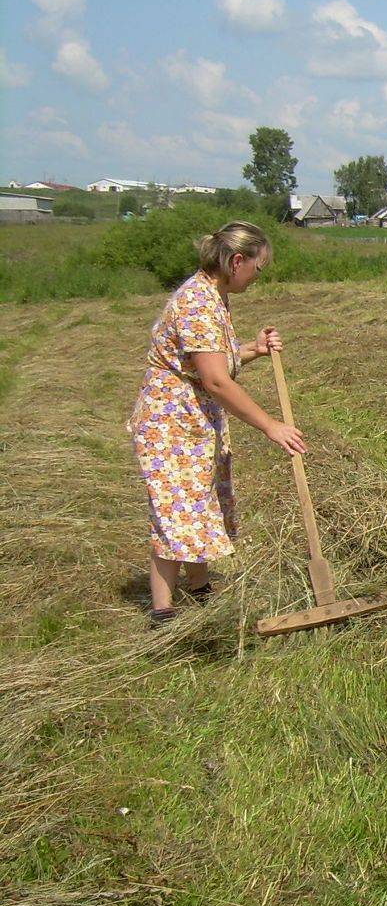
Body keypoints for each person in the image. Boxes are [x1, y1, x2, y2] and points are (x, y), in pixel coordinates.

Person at [128, 220, 307, 625]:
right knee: (176, 512)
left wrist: (253, 349)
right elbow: (215, 380)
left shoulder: (215, 296)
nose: (258, 277)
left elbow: (212, 360)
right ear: (237, 261)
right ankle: (163, 611)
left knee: (200, 502)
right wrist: (271, 425)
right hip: (170, 426)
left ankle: (199, 587)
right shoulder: (197, 302)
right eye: (258, 268)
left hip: (194, 421)